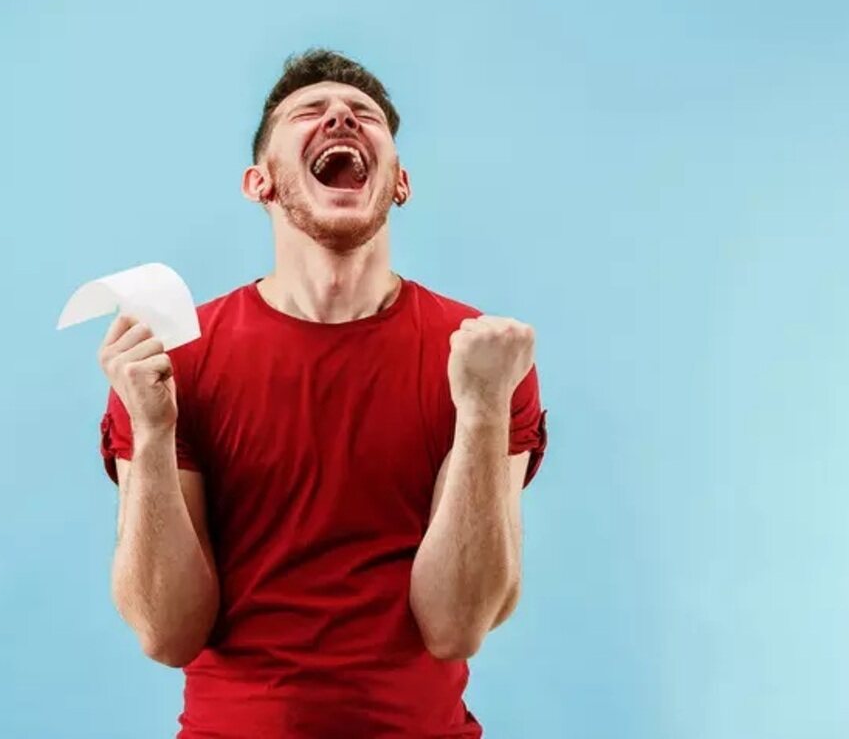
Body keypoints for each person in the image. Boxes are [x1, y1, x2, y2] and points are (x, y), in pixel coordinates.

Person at [97, 49, 549, 738]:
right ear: (260, 183)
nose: (340, 115)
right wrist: (153, 432)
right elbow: (167, 635)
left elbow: (456, 625)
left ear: (399, 182)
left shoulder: (483, 356)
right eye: (309, 112)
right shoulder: (174, 359)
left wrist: (483, 412)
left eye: (363, 115)